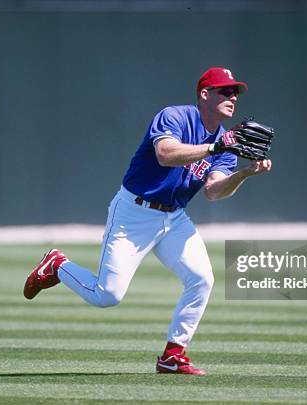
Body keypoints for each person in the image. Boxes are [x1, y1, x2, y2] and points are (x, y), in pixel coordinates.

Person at [23, 66, 272, 375]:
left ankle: (173, 355)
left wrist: (245, 173)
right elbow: (165, 154)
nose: (233, 97)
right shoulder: (176, 117)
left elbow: (213, 192)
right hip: (134, 213)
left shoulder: (226, 143)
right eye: (225, 90)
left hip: (175, 218)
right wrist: (214, 147)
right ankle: (58, 264)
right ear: (204, 94)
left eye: (235, 92)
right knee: (107, 295)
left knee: (202, 279)